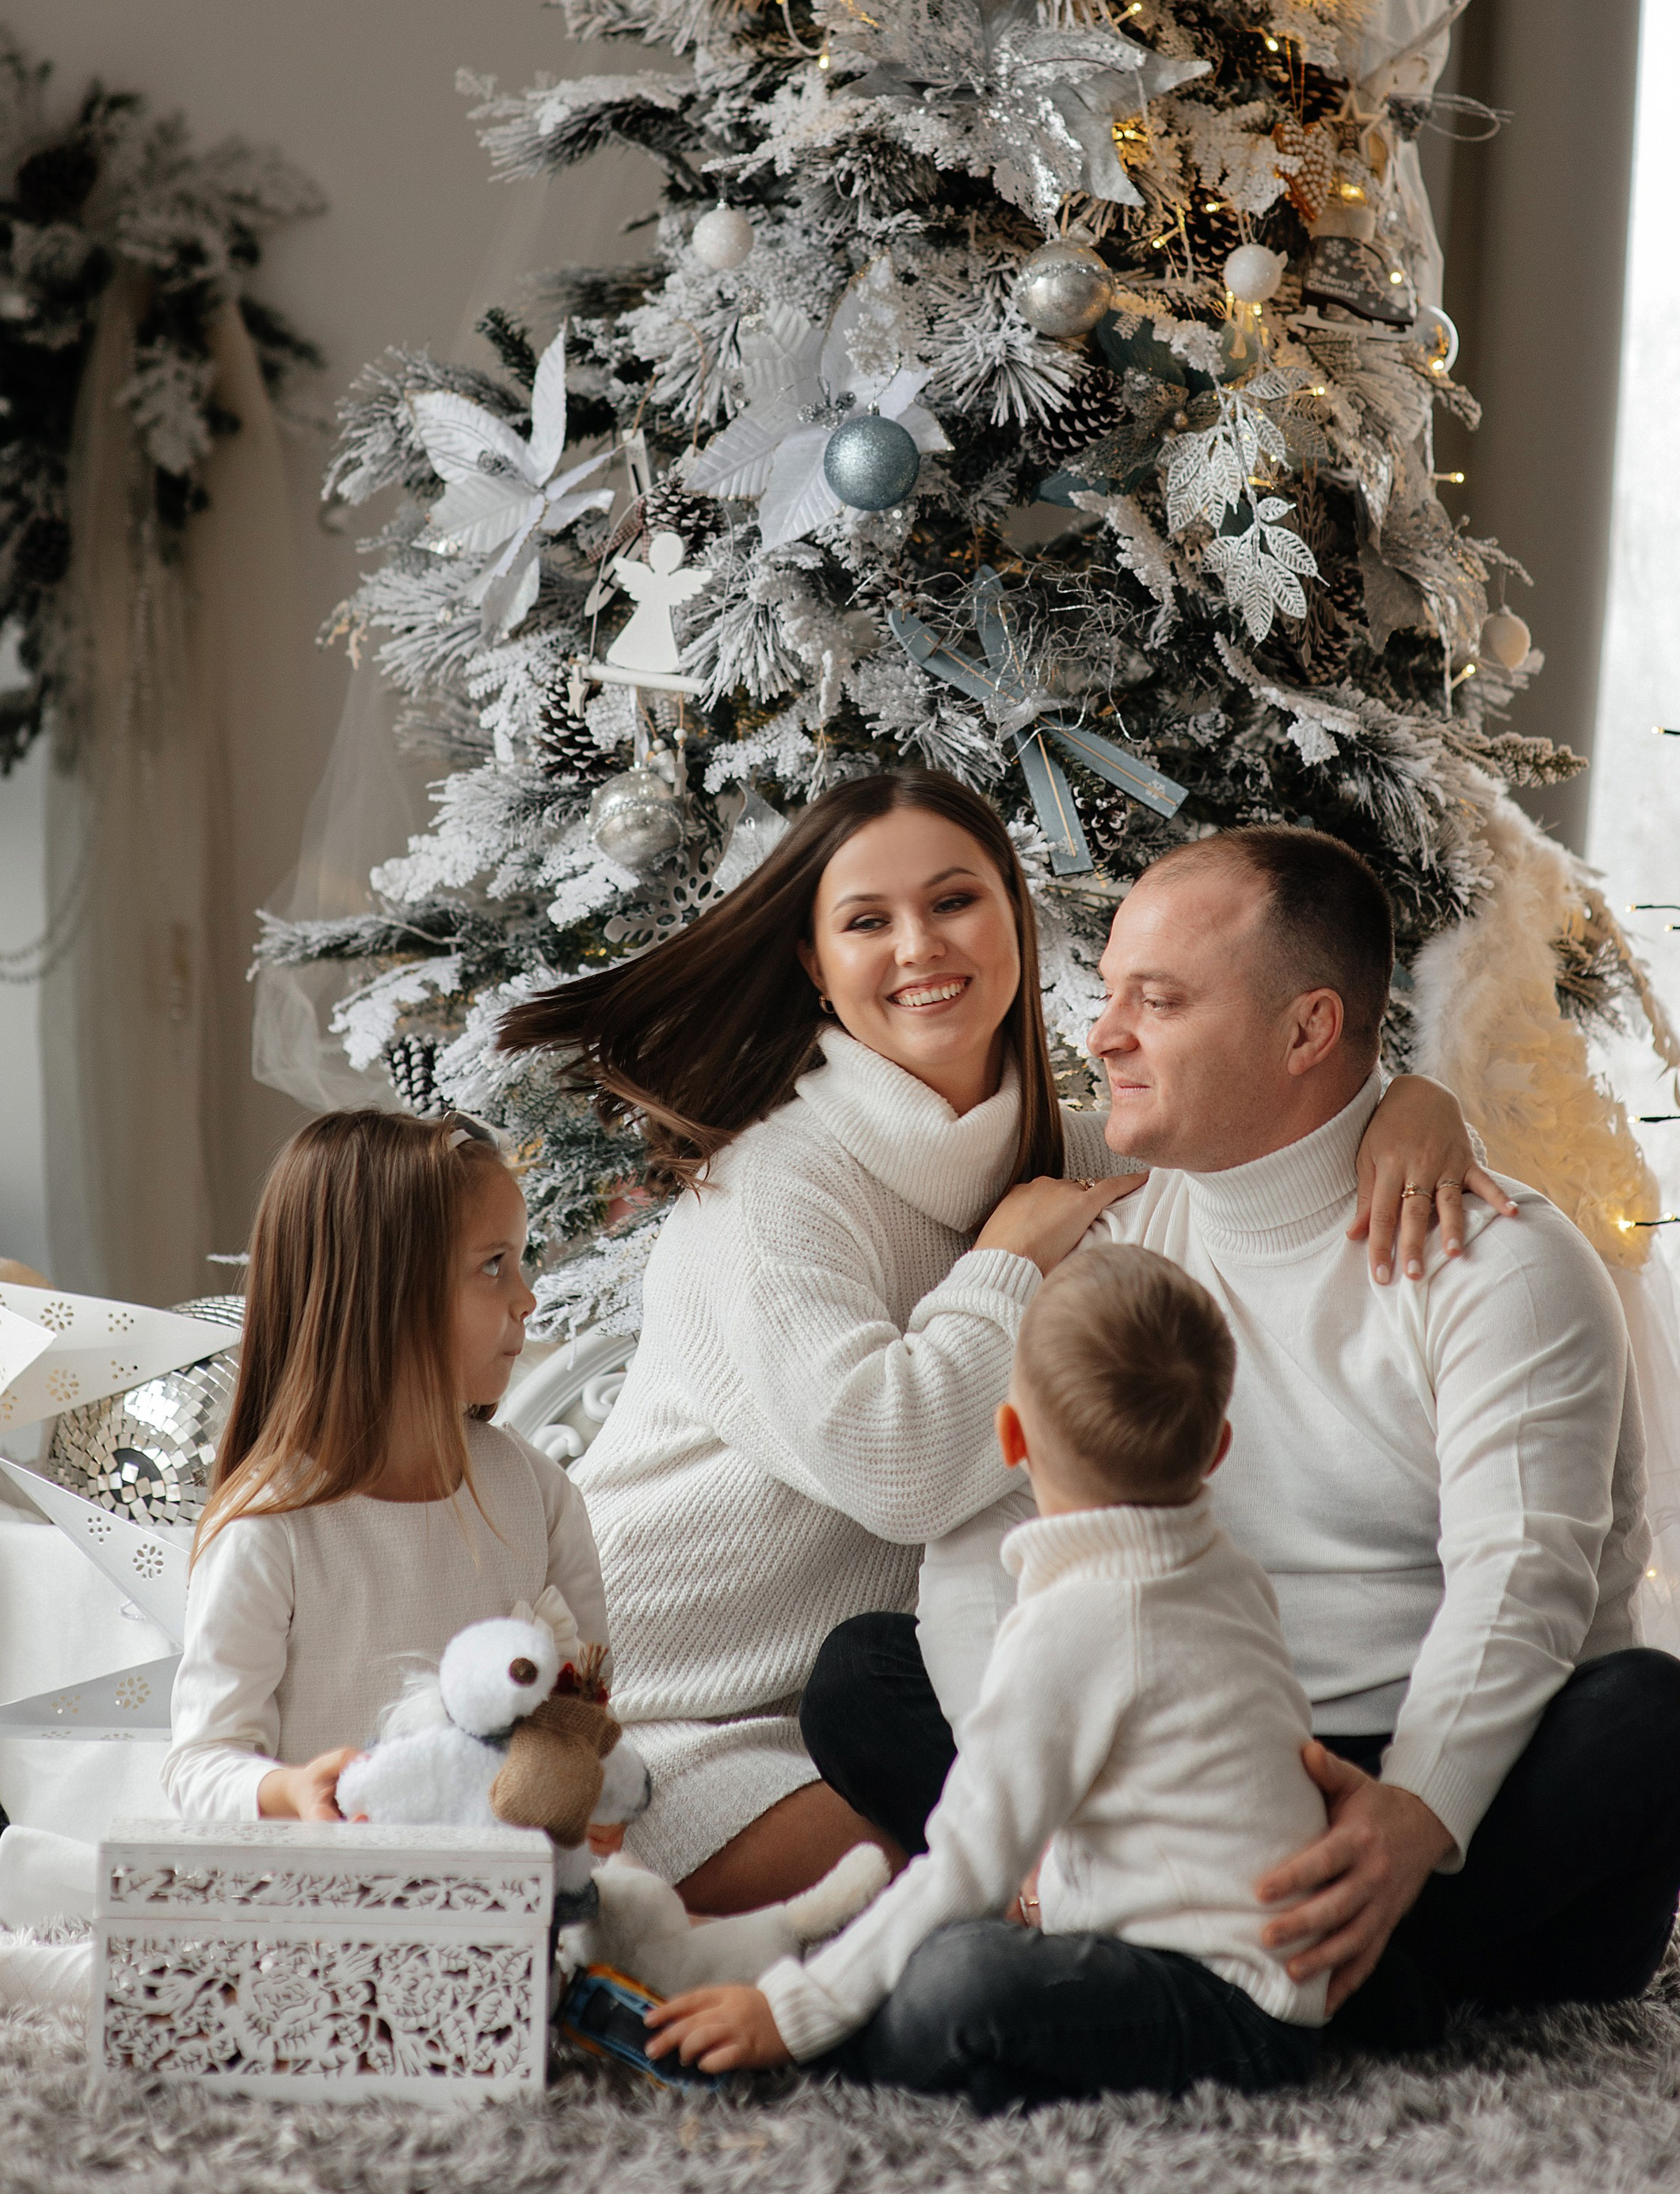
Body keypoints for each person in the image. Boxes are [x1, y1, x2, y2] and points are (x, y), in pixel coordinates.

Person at [497, 768, 1484, 1912]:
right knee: (1052, 1870)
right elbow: (900, 1470)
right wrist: (1004, 1264)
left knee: (1118, 1834)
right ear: (816, 964)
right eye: (867, 921)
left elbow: (1267, 1137)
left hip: (845, 1707)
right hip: (647, 1713)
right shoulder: (770, 1189)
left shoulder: (1079, 1154)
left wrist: (1411, 1102)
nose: (920, 945)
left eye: (955, 900)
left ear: (1016, 918)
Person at [802, 828, 1680, 2036]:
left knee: (1653, 1723)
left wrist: (1410, 1818)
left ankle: (1269, 1968)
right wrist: (1024, 1816)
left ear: (1307, 1032)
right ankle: (1337, 1991)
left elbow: (1523, 1581)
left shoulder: (1501, 1263)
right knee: (864, 1677)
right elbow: (986, 1543)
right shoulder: (1114, 1240)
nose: (1103, 1035)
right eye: (1110, 994)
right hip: (1193, 1772)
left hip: (1432, 1775)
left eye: (1159, 1002)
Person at [645, 1242, 1330, 2112]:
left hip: (1220, 2002)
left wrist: (793, 2010)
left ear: (1009, 1438)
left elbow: (971, 1860)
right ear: (1218, 1447)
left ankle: (819, 2036)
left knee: (955, 1975)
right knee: (949, 1925)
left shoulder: (1078, 1621)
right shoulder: (1224, 1569)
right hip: (1255, 1972)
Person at [163, 1107, 608, 1823]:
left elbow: (584, 1709)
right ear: (384, 1294)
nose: (527, 1298)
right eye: (493, 1265)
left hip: (503, 1873)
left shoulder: (538, 1494)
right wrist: (289, 1790)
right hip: (333, 1882)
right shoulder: (269, 1529)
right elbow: (200, 1764)